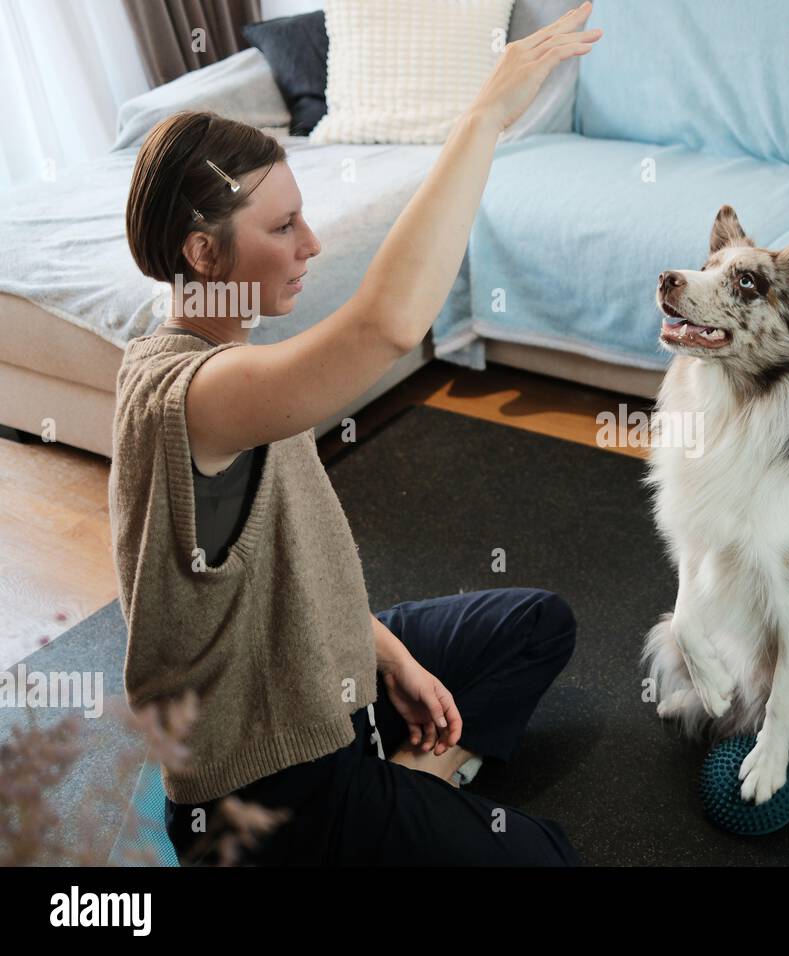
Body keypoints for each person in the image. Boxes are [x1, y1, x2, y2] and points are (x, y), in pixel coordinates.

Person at [107, 4, 602, 865]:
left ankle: (410, 781)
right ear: (202, 252)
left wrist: (393, 658)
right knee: (546, 859)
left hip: (320, 672)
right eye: (281, 228)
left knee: (535, 625)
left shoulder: (228, 353)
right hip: (276, 779)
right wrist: (483, 116)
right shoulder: (198, 396)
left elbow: (290, 578)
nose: (311, 243)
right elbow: (386, 324)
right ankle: (405, 796)